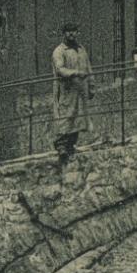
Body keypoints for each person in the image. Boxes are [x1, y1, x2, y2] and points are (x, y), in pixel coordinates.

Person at [52, 20, 94, 165]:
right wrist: (74, 73)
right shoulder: (59, 51)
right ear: (64, 34)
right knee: (65, 116)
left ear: (77, 33)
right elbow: (60, 69)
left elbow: (88, 67)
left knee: (78, 117)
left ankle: (71, 145)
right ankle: (61, 146)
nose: (71, 34)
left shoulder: (81, 49)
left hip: (80, 90)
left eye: (74, 31)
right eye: (68, 31)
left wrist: (91, 86)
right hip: (66, 90)